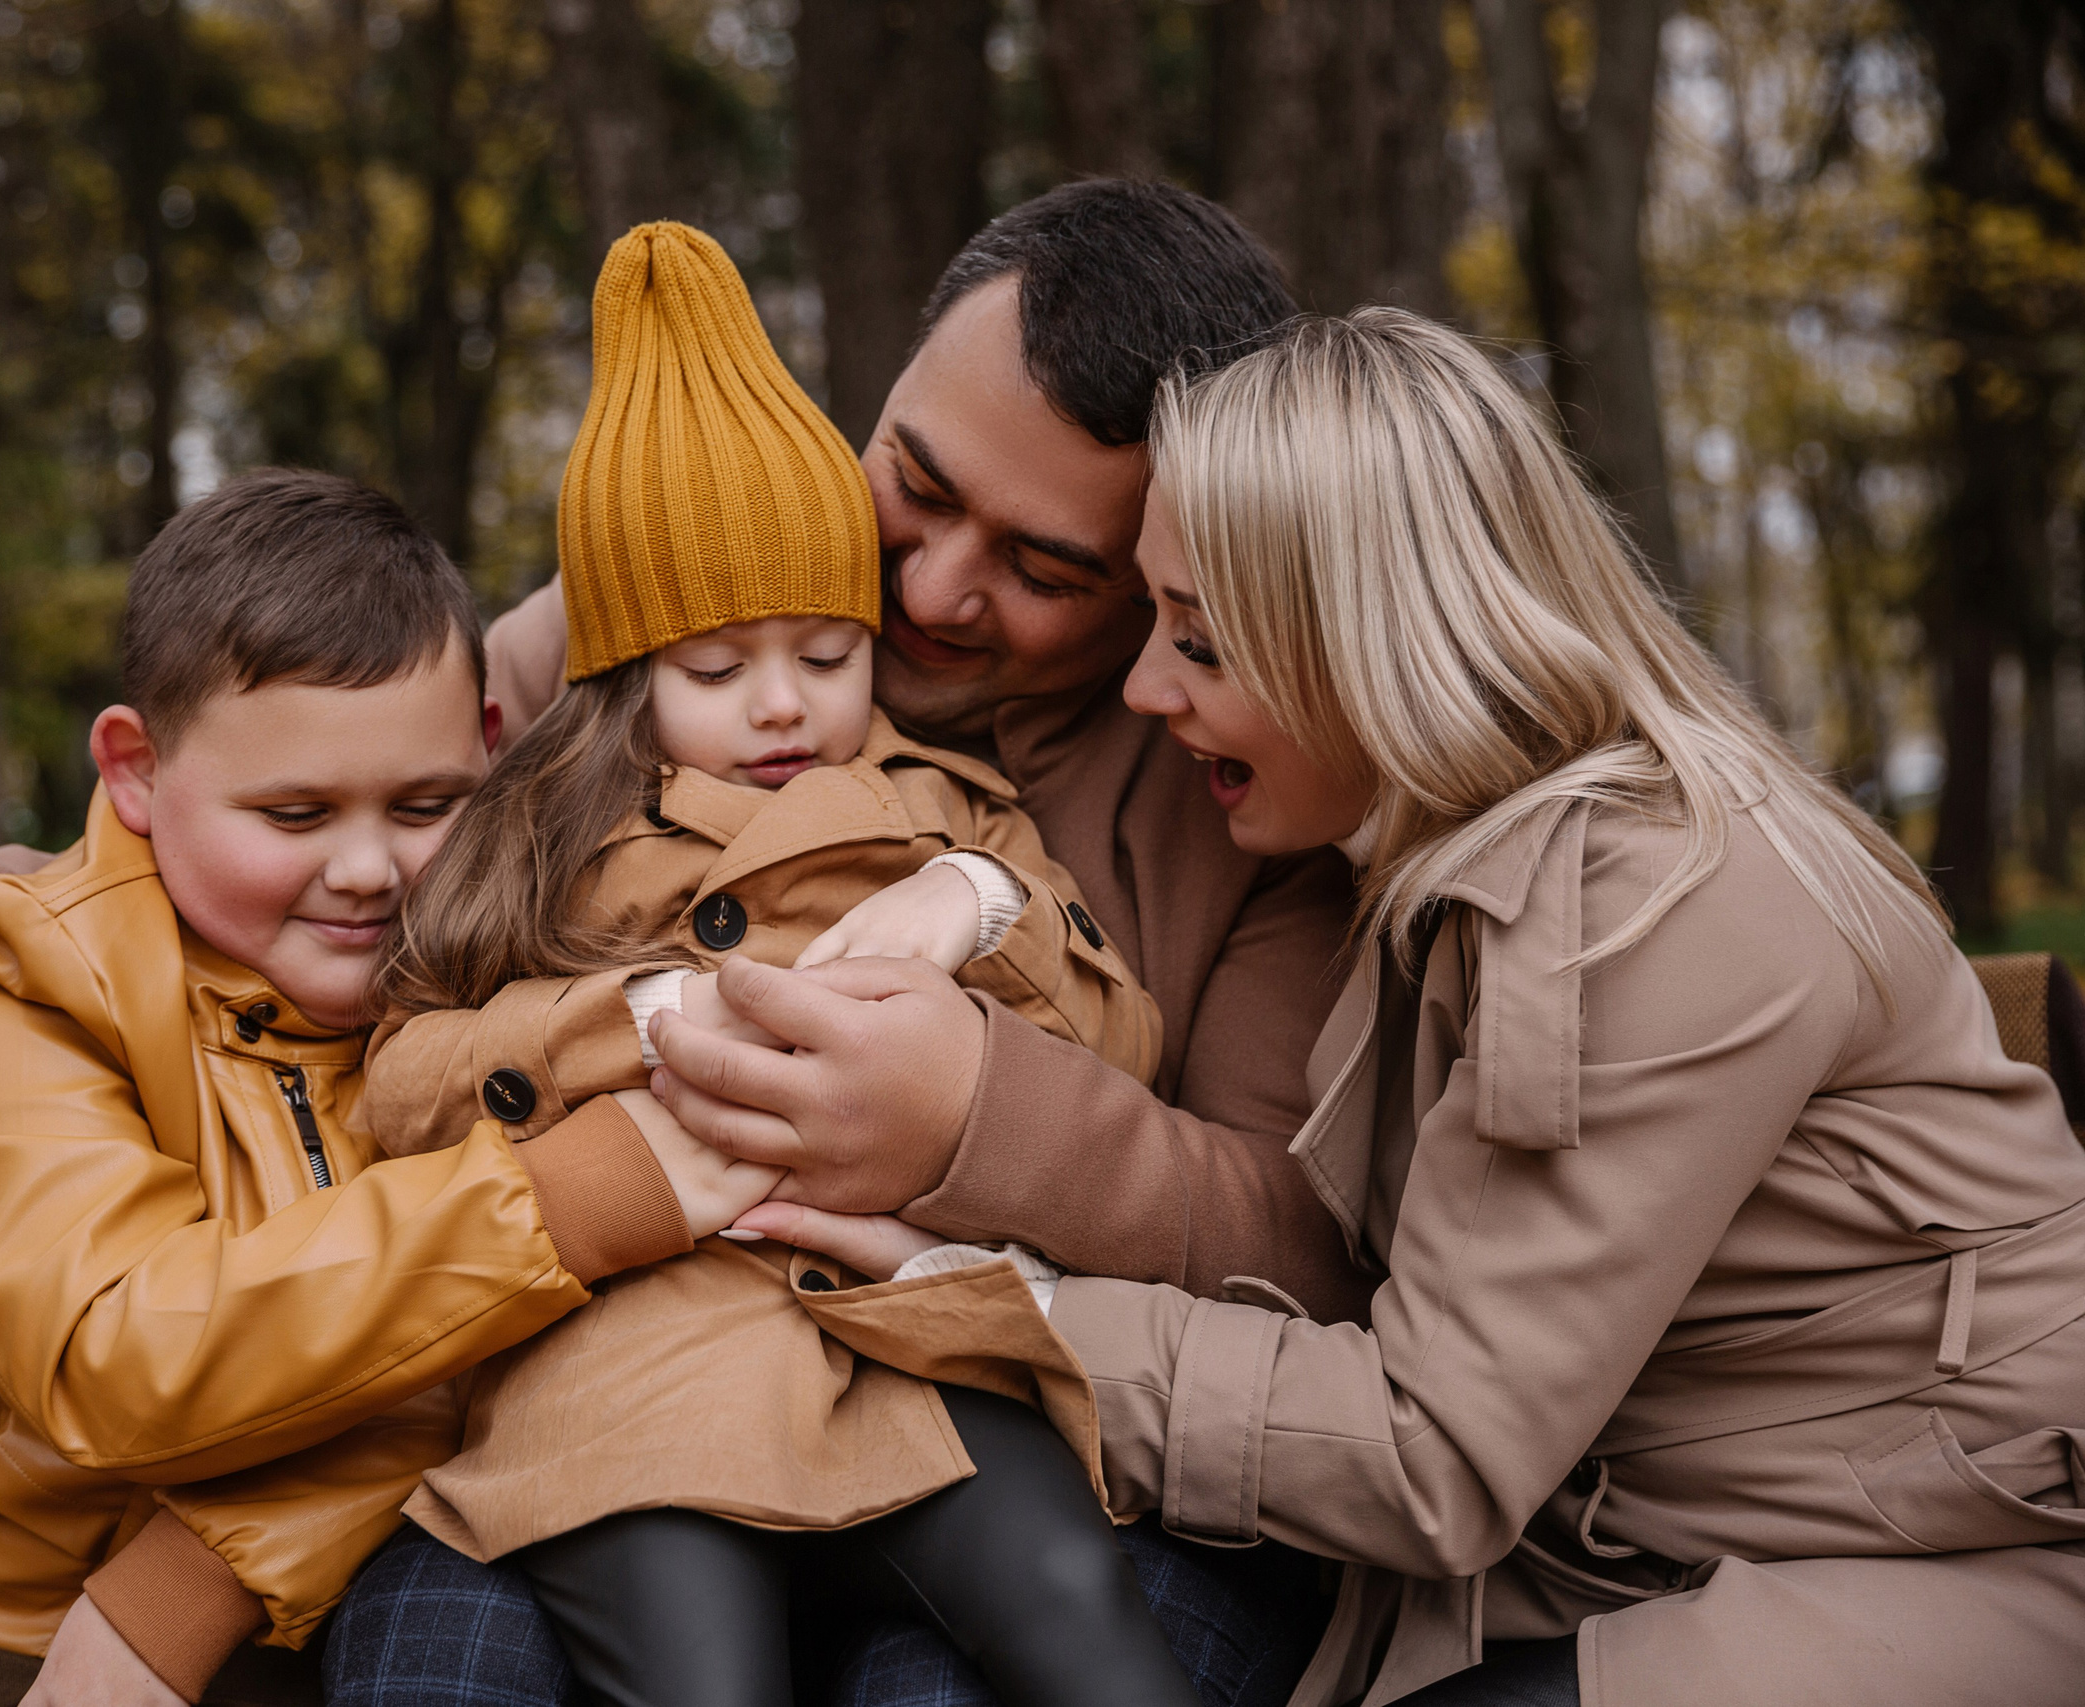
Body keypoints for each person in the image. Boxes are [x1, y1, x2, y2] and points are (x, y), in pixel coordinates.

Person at [0, 182, 1362, 1704]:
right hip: (612, 1380)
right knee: (451, 1664)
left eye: (1046, 569)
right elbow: (298, 809)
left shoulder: (1236, 760)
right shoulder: (662, 591)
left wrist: (972, 1110)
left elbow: (1295, 1235)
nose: (931, 585)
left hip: (1019, 1405)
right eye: (915, 481)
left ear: (1173, 558)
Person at [760, 309, 2085, 1706]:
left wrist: (992, 1307)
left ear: (1371, 646)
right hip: (1638, 1536)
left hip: (1944, 1551)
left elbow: (1431, 1453)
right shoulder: (1447, 866)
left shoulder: (1652, 902)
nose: (1147, 688)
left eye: (1200, 643)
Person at [0, 472, 775, 1707]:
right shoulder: (7, 977)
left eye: (425, 804)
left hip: (277, 1630)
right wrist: (569, 1201)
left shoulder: (493, 994)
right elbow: (121, 1360)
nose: (366, 868)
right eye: (292, 813)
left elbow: (479, 1378)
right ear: (135, 769)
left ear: (490, 750)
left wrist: (189, 1591)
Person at [353, 221, 1187, 1707]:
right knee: (701, 1668)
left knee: (1077, 1606)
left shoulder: (944, 807)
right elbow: (401, 1076)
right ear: (626, 674)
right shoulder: (550, 826)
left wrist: (978, 901)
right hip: (635, 1361)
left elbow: (1121, 1034)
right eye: (718, 669)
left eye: (825, 651)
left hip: (900, 1347)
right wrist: (633, 1018)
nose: (784, 705)